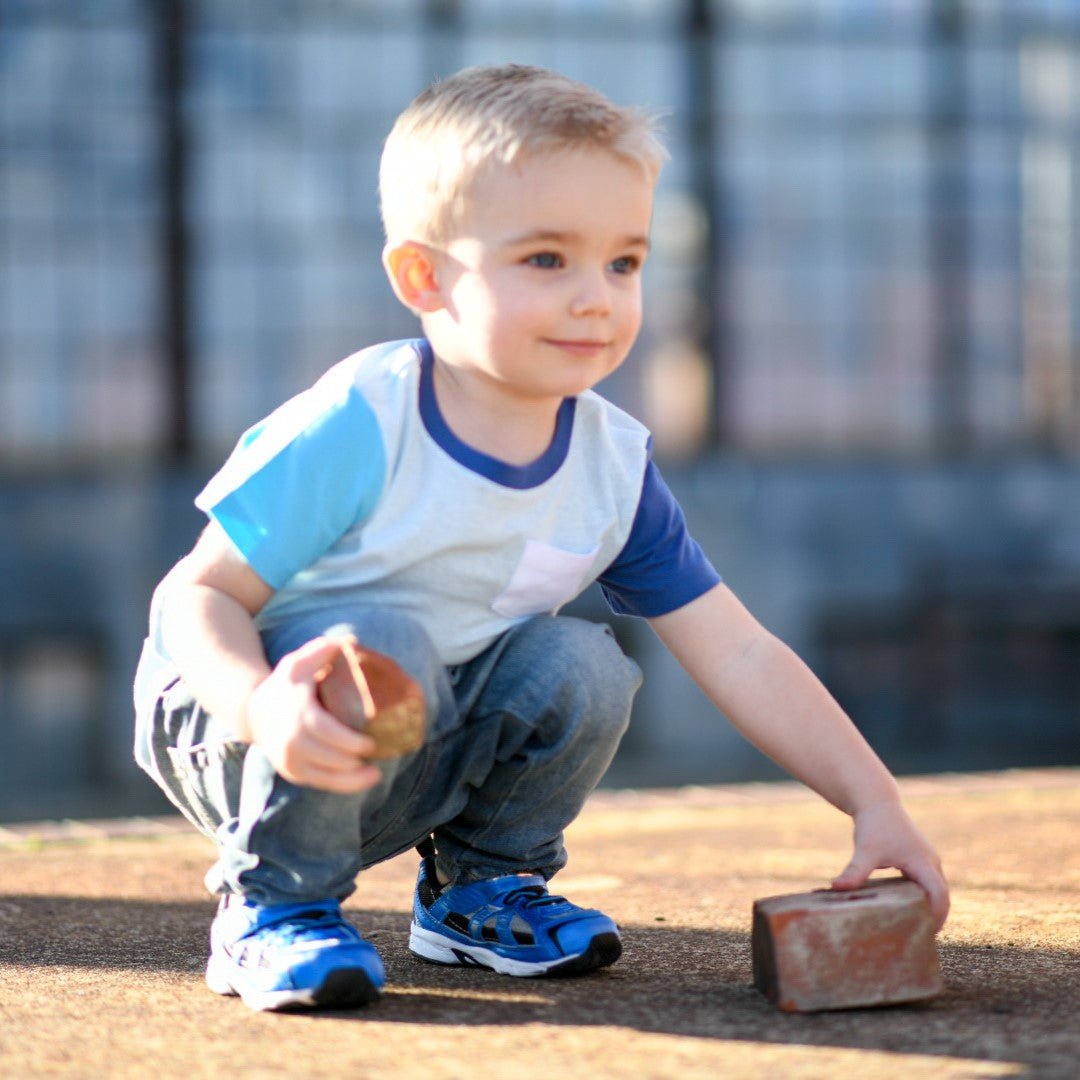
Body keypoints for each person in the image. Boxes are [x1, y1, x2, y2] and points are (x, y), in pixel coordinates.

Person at [133, 63, 949, 1014]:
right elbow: (193, 599)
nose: (596, 297)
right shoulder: (366, 420)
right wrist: (261, 706)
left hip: (409, 745)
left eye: (625, 262)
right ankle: (269, 906)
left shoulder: (610, 463)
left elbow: (737, 648)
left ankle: (477, 889)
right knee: (381, 641)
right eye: (547, 260)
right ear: (424, 278)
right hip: (238, 732)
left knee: (580, 663)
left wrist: (874, 801)